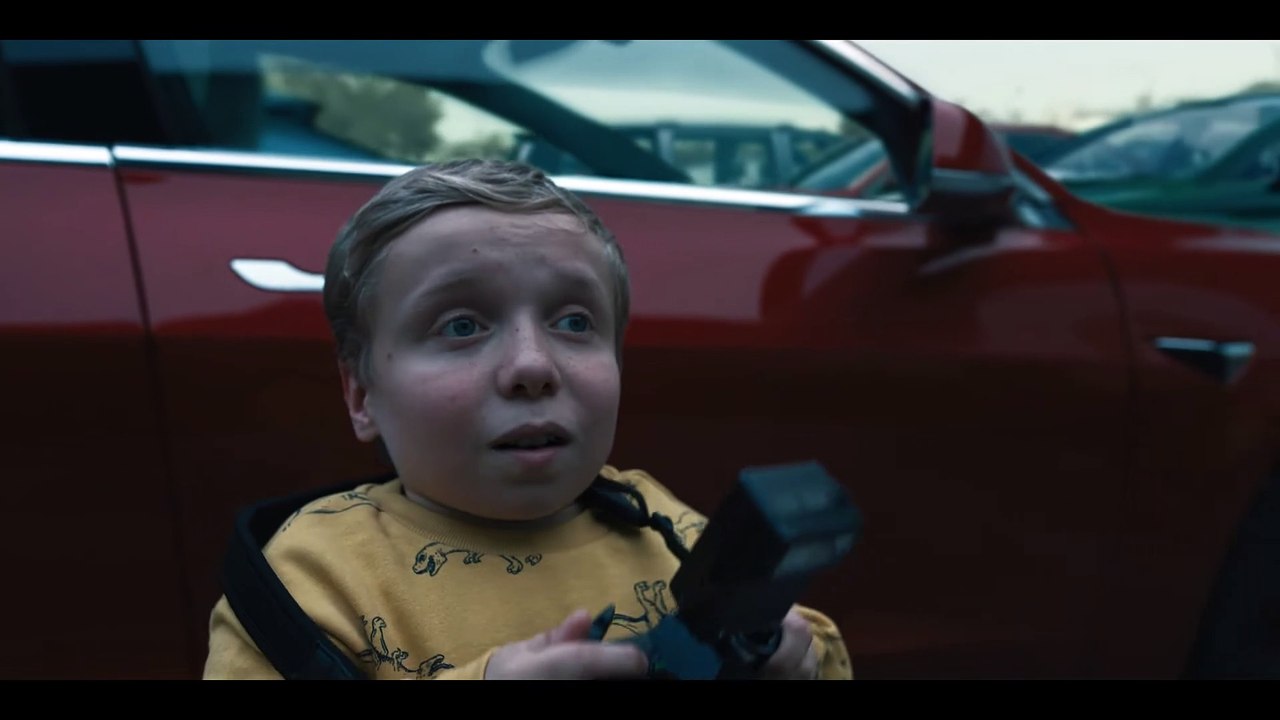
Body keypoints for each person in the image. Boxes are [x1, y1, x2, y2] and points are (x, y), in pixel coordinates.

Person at [203, 159, 853, 680]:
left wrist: (796, 658)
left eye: (574, 321)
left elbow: (811, 642)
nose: (533, 365)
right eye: (461, 325)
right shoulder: (313, 575)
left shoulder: (657, 522)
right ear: (361, 394)